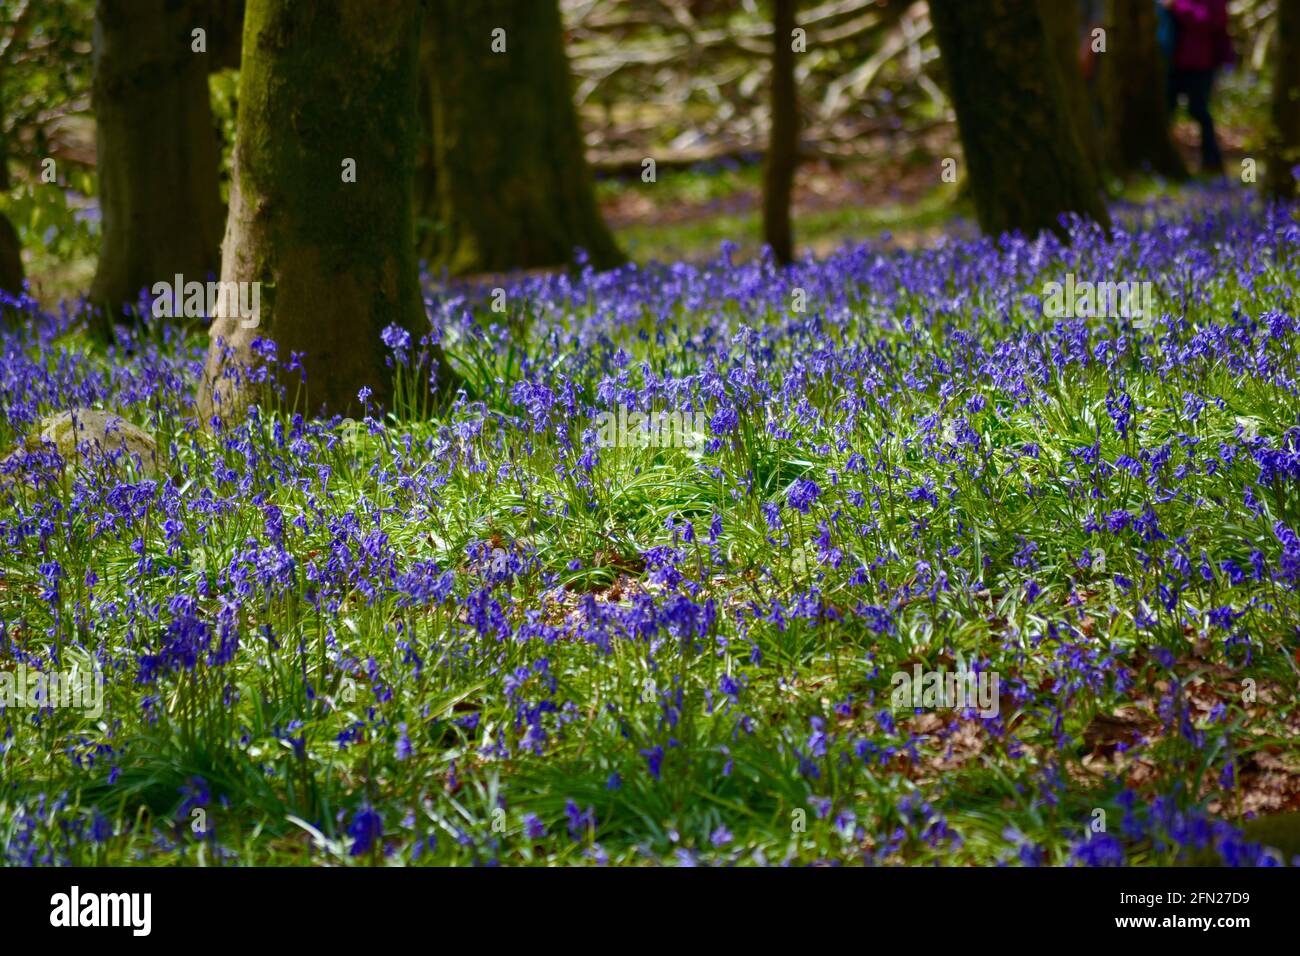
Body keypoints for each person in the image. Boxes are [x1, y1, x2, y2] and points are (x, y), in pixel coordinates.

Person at [1162, 0, 1234, 175]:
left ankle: (1212, 159)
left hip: (1201, 63)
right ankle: (1163, 154)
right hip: (1175, 62)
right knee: (1167, 107)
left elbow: (1207, 20)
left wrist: (1177, 7)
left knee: (1199, 110)